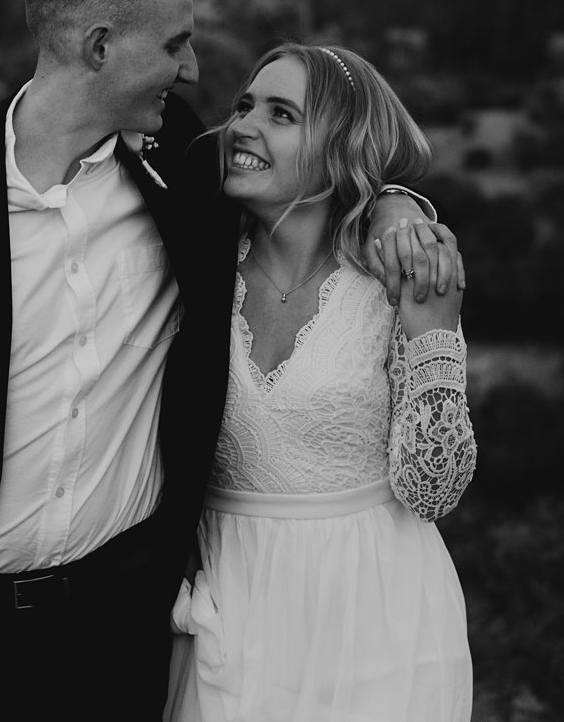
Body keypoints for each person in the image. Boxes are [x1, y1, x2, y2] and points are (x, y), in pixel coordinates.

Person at [0, 0, 454, 721]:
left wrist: (397, 210)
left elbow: (323, 177)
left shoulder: (185, 173)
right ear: (100, 45)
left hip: (121, 626)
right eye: (177, 44)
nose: (194, 68)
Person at [167, 43, 477, 722]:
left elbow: (435, 490)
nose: (244, 126)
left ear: (340, 146)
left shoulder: (394, 283)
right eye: (244, 105)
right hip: (229, 602)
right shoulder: (195, 259)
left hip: (377, 613)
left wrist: (432, 331)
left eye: (282, 114)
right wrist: (398, 201)